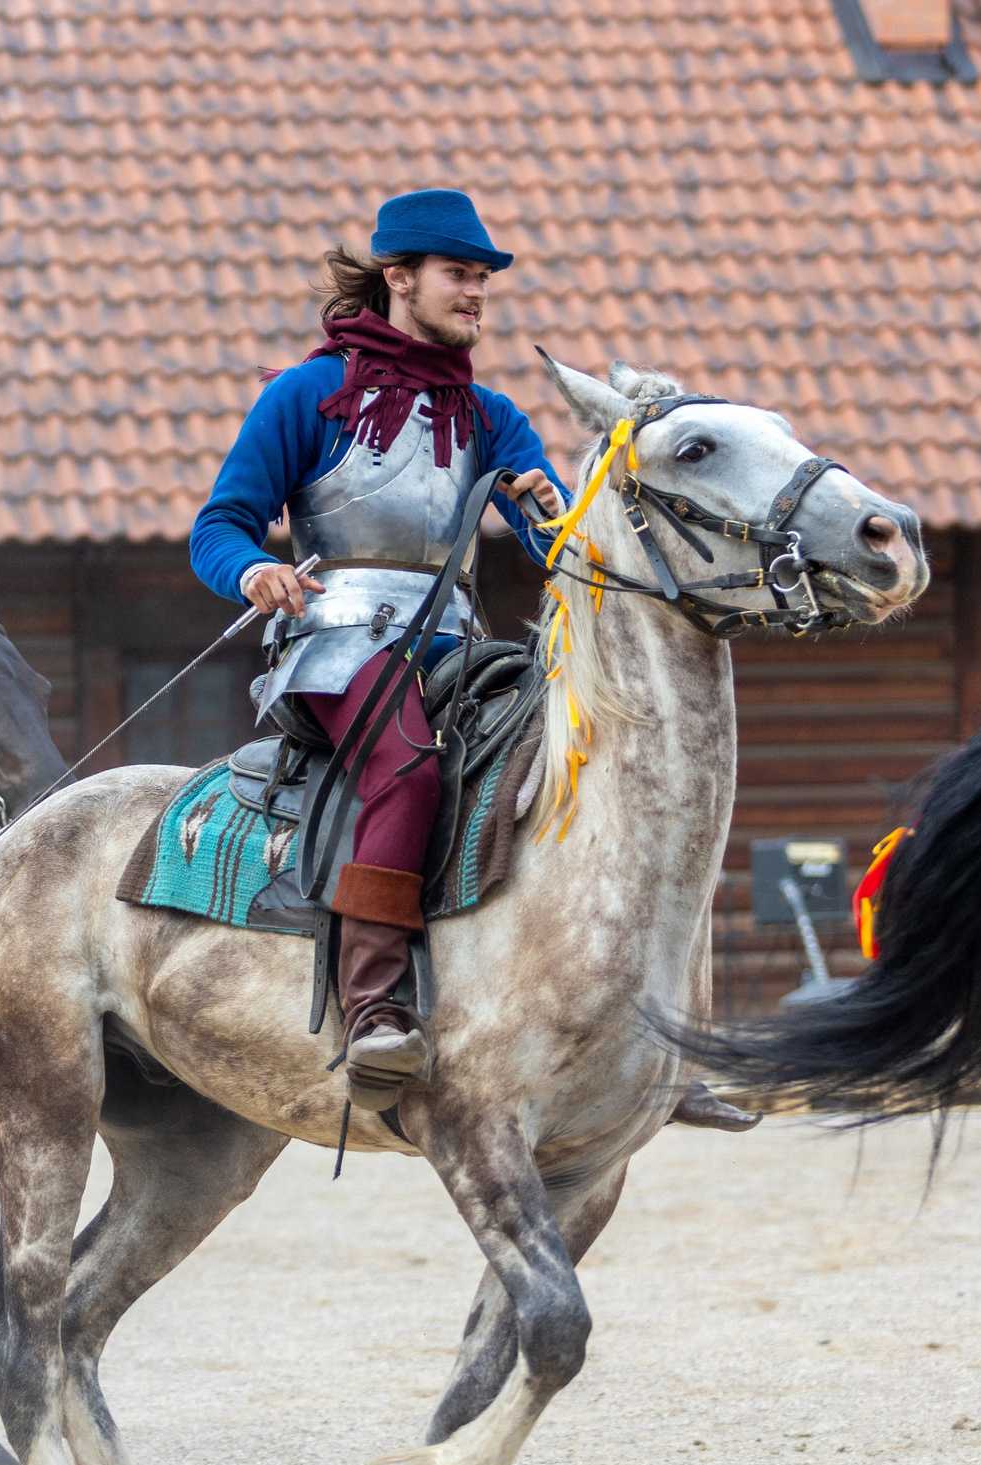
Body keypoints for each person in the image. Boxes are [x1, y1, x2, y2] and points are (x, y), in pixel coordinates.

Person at [190, 190, 565, 1106]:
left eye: (483, 278)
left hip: (459, 648)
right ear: (400, 279)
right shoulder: (308, 394)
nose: (477, 293)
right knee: (405, 770)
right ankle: (375, 1009)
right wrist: (251, 574)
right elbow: (220, 526)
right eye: (460, 275)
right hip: (336, 641)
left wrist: (553, 513)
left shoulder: (491, 415)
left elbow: (561, 544)